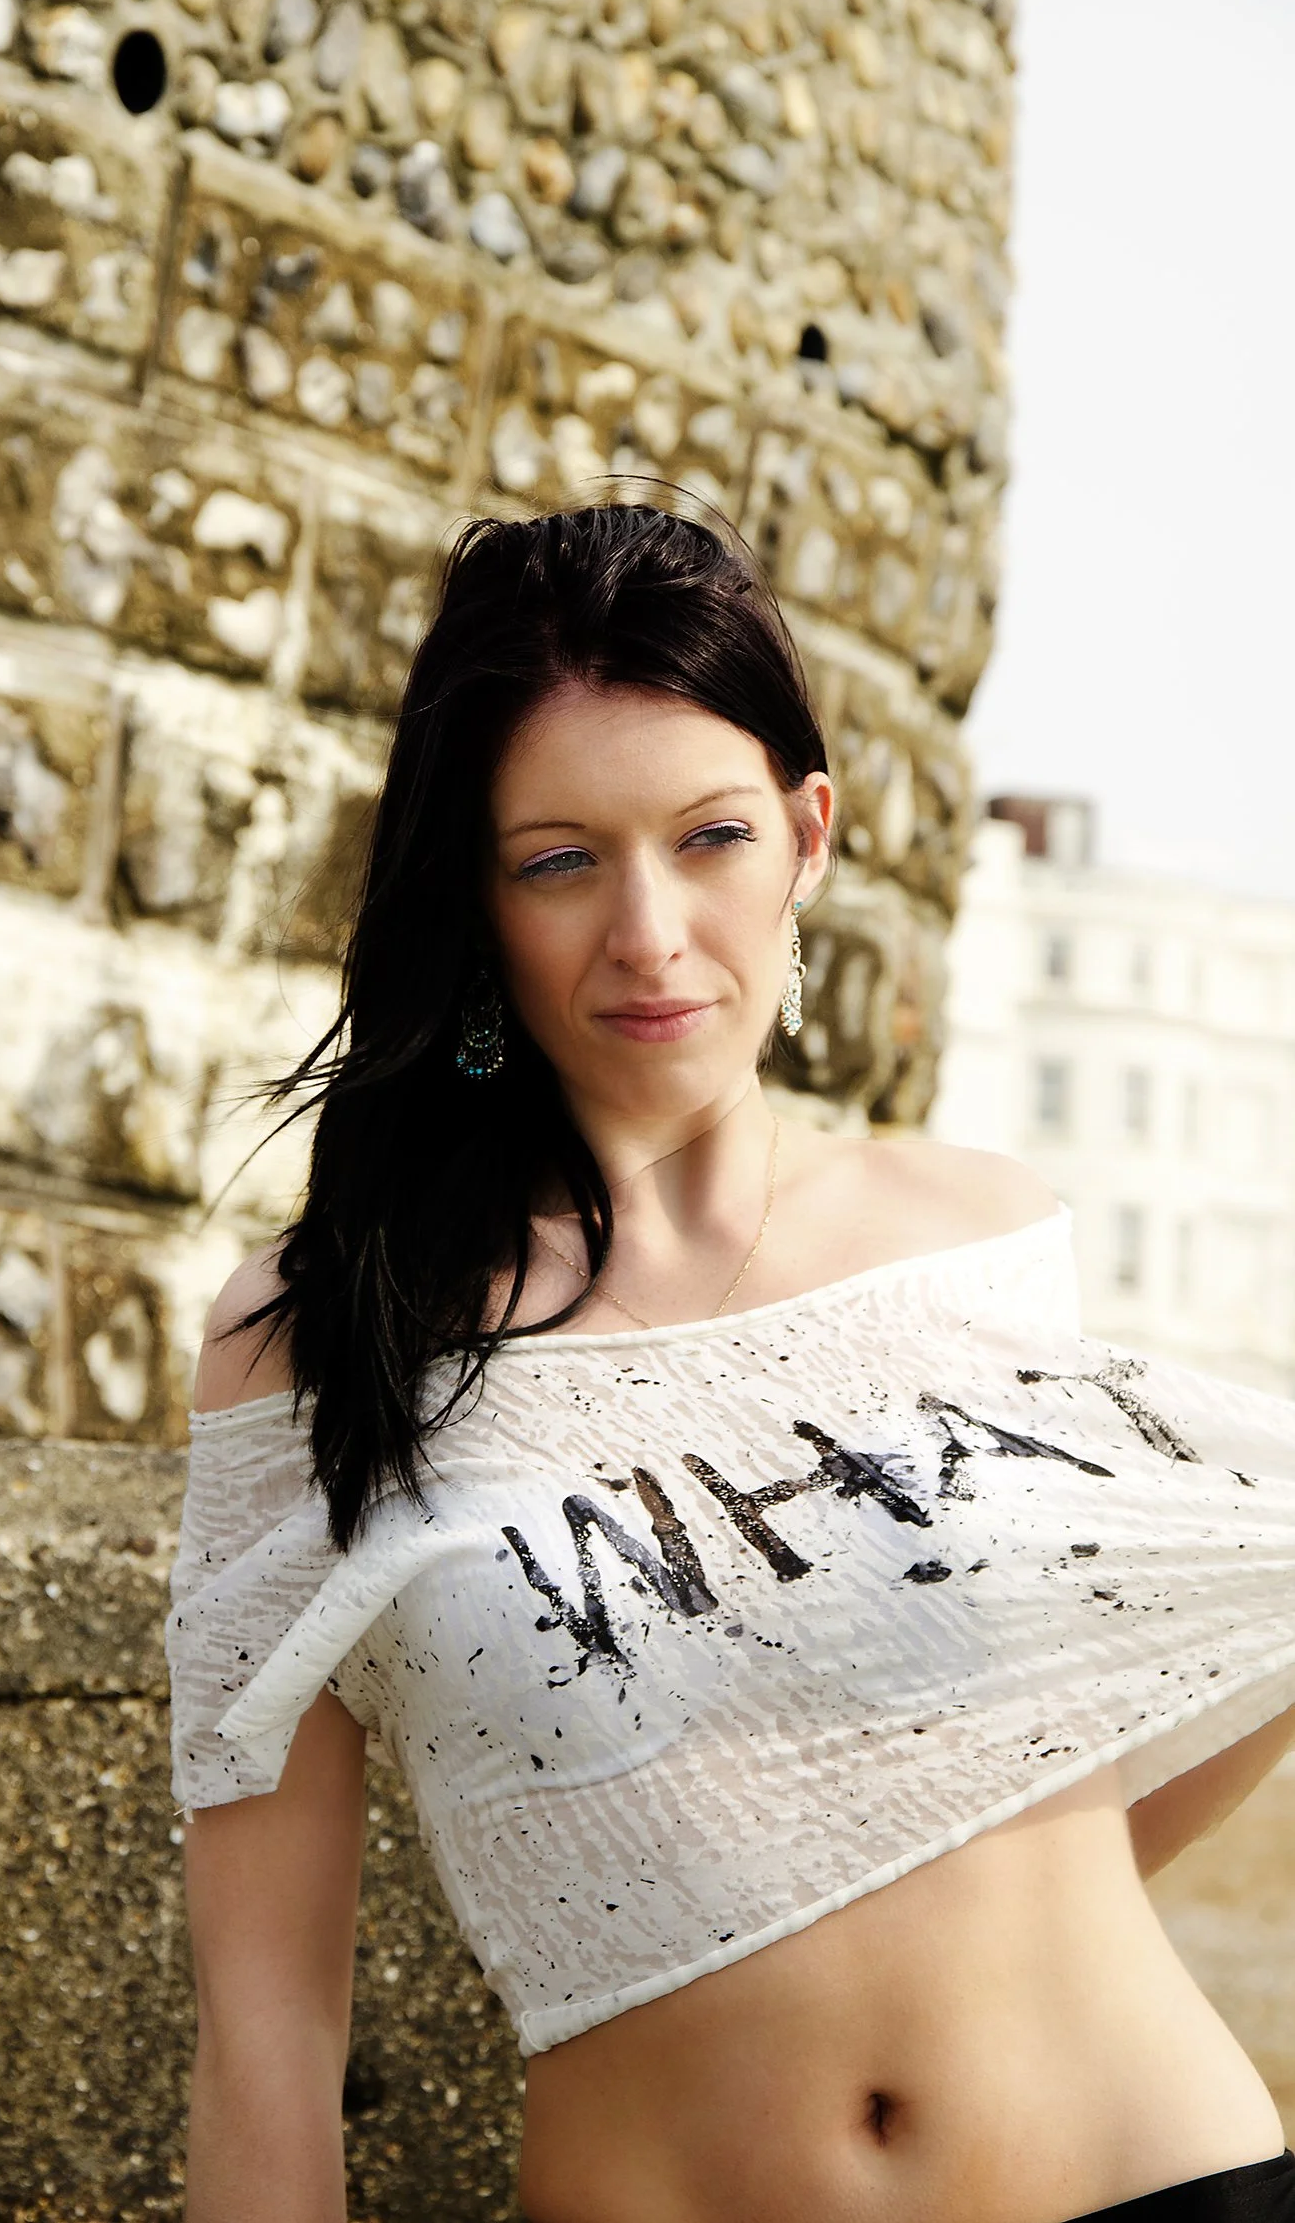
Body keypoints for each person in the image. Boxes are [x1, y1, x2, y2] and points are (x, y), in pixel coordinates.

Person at [165, 500, 1295, 2223]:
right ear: (475, 898)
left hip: (1156, 2180)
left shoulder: (978, 1233)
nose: (650, 933)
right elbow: (264, 2033)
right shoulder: (315, 1350)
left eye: (709, 837)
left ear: (807, 835)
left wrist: (917, 1884)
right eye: (560, 860)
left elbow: (1206, 1635)